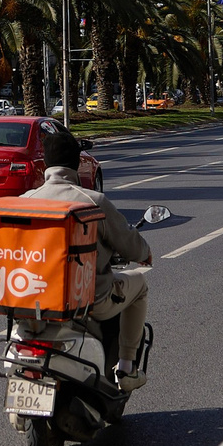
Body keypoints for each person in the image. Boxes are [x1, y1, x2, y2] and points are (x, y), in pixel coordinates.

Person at [25, 126, 152, 385]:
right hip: (89, 300)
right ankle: (126, 367)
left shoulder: (25, 200)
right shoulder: (92, 201)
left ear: (46, 164)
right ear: (76, 163)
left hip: (33, 297)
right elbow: (129, 243)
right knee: (139, 284)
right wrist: (145, 254)